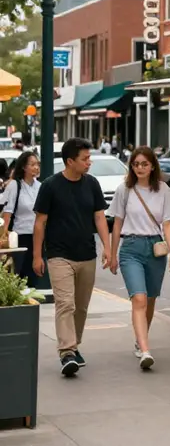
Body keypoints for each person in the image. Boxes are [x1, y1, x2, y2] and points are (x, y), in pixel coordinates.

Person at [32, 137, 111, 377]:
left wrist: (108, 248)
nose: (89, 163)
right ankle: (66, 352)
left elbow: (99, 218)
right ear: (70, 161)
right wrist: (38, 256)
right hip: (59, 255)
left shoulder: (92, 184)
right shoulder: (50, 186)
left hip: (87, 254)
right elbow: (40, 222)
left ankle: (73, 345)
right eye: (85, 159)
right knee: (65, 304)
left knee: (81, 308)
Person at [109, 146, 170, 370]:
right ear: (131, 166)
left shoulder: (163, 190)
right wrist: (112, 254)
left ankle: (140, 340)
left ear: (152, 166)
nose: (140, 168)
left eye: (144, 164)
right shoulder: (124, 190)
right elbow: (117, 223)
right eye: (136, 164)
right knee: (138, 298)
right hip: (130, 248)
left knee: (149, 300)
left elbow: (167, 224)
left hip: (155, 249)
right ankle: (145, 350)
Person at [1, 151, 41, 284]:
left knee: (33, 276)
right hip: (19, 238)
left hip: (37, 236)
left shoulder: (39, 186)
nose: (36, 167)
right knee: (18, 275)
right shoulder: (14, 185)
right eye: (32, 164)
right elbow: (8, 211)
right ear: (24, 167)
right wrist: (4, 234)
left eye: (37, 164)